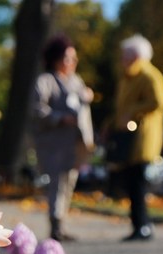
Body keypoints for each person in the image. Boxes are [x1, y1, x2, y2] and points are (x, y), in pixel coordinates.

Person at [31, 35, 95, 242]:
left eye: (75, 59)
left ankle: (62, 223)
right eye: (69, 58)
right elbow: (37, 110)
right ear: (56, 59)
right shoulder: (45, 81)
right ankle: (56, 226)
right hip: (54, 145)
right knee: (57, 184)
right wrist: (60, 119)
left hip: (75, 144)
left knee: (69, 184)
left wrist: (87, 96)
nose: (73, 63)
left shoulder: (76, 81)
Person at [113, 34, 163, 241]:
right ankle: (139, 224)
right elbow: (120, 108)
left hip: (142, 138)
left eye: (125, 55)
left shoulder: (149, 75)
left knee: (137, 183)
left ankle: (144, 226)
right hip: (129, 138)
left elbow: (161, 101)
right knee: (131, 183)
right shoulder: (128, 76)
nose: (122, 59)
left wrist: (134, 111)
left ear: (136, 56)